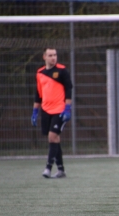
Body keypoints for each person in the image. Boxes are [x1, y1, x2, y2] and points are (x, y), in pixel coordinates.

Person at [31, 47, 73, 178]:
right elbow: (38, 94)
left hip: (59, 110)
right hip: (46, 110)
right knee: (55, 139)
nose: (53, 57)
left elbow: (69, 89)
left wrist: (67, 109)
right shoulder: (40, 73)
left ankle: (48, 168)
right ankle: (61, 170)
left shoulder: (62, 70)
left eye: (55, 55)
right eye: (50, 55)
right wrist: (35, 111)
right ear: (44, 57)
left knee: (52, 136)